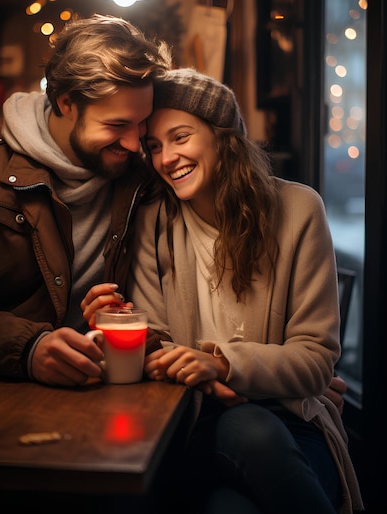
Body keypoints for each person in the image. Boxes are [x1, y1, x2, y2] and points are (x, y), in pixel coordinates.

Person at [82, 68, 363, 514]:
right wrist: (125, 328)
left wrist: (222, 365)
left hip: (294, 423)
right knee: (248, 427)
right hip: (195, 419)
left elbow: (314, 361)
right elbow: (158, 346)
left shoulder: (298, 209)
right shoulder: (155, 220)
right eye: (154, 146)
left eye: (180, 137)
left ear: (222, 137)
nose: (166, 158)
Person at [0, 13, 172, 387]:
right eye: (116, 125)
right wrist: (30, 349)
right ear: (67, 104)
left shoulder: (144, 182)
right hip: (0, 396)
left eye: (141, 123)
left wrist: (124, 317)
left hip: (115, 388)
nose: (133, 143)